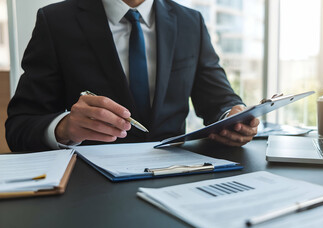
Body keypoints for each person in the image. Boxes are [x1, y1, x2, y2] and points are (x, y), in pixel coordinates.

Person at [5, 0, 259, 152]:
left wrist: (232, 116)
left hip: (175, 176)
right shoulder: (56, 21)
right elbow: (19, 126)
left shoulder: (190, 21)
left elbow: (219, 100)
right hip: (88, 189)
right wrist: (65, 128)